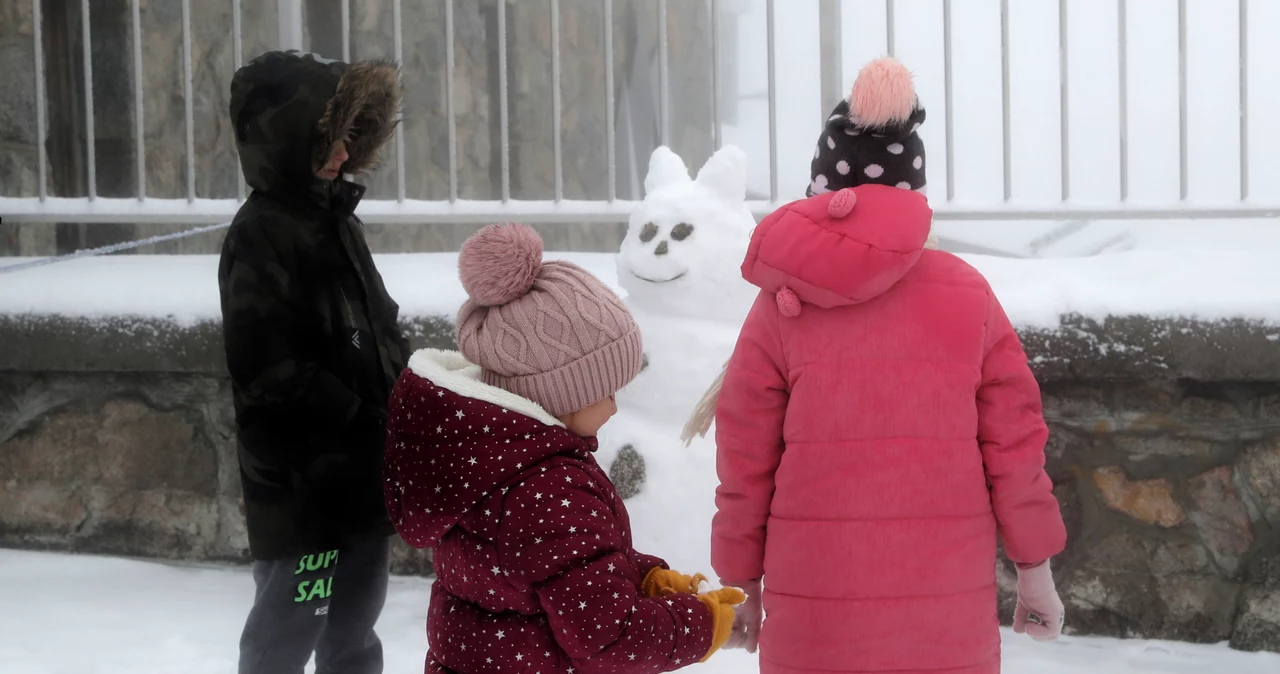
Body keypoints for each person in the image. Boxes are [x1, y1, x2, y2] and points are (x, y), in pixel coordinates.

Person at [693, 57, 1068, 674]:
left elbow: (744, 459)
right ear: (913, 192)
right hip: (947, 615)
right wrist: (1034, 570)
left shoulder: (782, 306)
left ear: (823, 191)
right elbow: (1016, 448)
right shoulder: (967, 293)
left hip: (813, 608)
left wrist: (742, 580)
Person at [382, 223, 747, 673]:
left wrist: (646, 579)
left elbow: (564, 570)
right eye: (606, 390)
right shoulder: (549, 491)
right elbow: (611, 638)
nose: (615, 406)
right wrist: (705, 623)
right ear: (558, 392)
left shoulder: (488, 459)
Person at [218, 50, 411, 674]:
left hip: (359, 479)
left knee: (354, 626)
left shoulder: (337, 223)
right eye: (326, 140)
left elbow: (378, 323)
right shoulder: (260, 235)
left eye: (352, 140)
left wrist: (405, 388)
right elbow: (267, 365)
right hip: (303, 489)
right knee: (290, 626)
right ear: (285, 138)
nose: (340, 156)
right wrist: (358, 415)